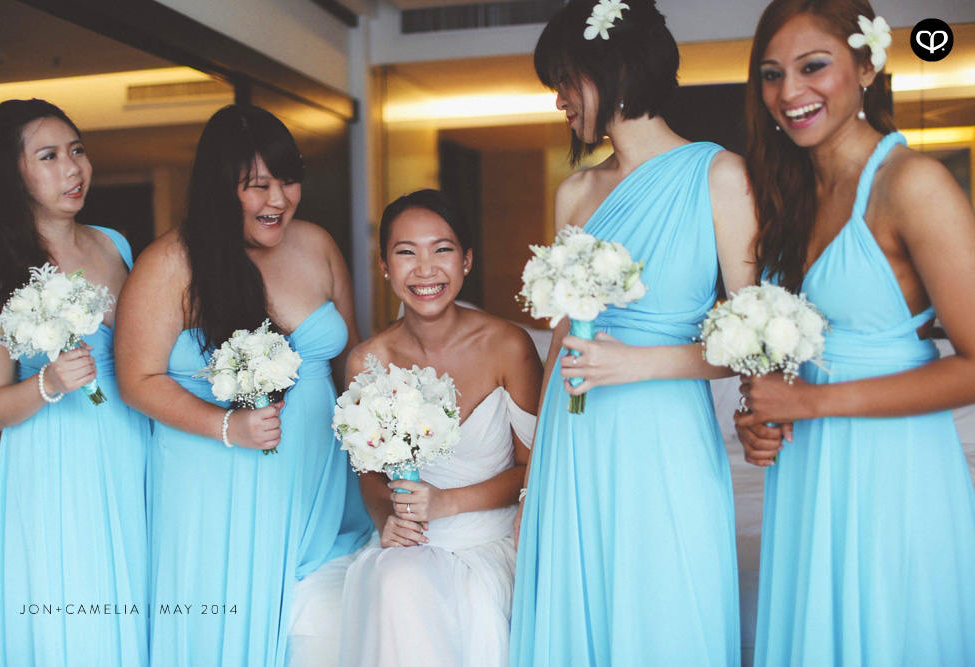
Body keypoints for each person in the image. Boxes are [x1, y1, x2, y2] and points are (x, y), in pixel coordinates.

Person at [508, 0, 758, 664]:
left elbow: (755, 341)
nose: (559, 100)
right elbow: (563, 335)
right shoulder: (575, 192)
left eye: (566, 80)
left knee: (667, 602)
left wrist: (640, 364)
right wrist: (534, 470)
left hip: (662, 429)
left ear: (614, 68)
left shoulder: (720, 176)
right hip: (574, 429)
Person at [735, 1, 975, 664]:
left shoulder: (912, 184)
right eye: (772, 74)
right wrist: (761, 413)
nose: (789, 93)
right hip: (808, 473)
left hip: (892, 472)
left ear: (866, 65)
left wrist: (812, 402)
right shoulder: (787, 197)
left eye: (814, 67)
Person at [114, 104, 371, 666]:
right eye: (258, 186)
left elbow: (354, 360)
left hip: (317, 483)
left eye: (288, 180)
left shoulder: (317, 245)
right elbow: (136, 380)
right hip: (215, 486)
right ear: (219, 187)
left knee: (318, 632)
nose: (278, 199)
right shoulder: (171, 264)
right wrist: (226, 425)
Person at [333, 190, 542, 667]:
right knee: (396, 578)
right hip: (409, 540)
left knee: (413, 587)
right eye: (406, 252)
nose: (425, 270)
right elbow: (368, 474)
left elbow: (534, 467)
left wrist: (447, 502)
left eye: (442, 250)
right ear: (384, 266)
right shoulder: (368, 360)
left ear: (466, 260)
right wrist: (388, 517)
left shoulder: (508, 345)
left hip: (485, 536)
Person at [0, 99, 148, 665]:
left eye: (77, 151)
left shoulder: (115, 244)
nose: (73, 169)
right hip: (56, 462)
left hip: (133, 441)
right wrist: (47, 383)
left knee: (139, 589)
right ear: (14, 174)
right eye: (49, 156)